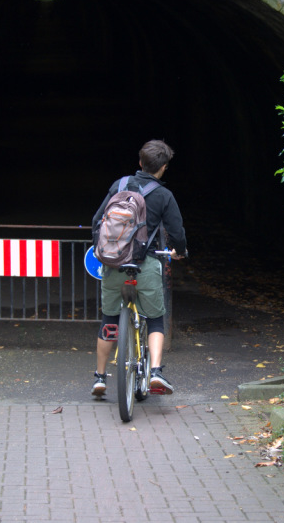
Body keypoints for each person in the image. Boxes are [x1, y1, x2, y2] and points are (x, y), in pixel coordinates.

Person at [91, 139, 187, 397]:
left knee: (109, 319)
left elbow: (96, 221)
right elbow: (177, 232)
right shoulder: (164, 195)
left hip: (113, 266)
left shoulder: (119, 185)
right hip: (146, 265)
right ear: (164, 167)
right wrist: (181, 251)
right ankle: (155, 372)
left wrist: (104, 254)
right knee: (155, 318)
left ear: (140, 162)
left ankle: (100, 378)